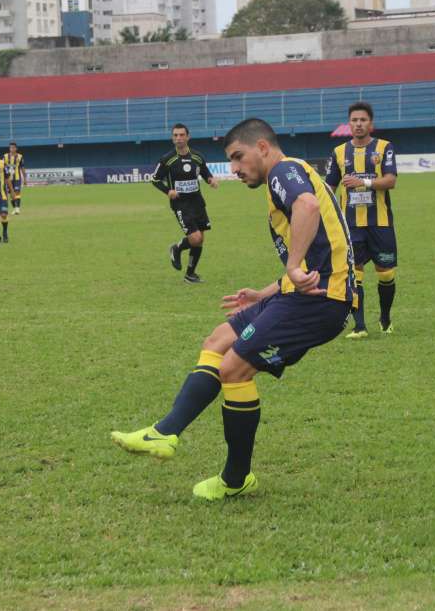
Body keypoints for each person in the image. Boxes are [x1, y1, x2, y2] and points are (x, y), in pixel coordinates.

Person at [112, 118, 354, 501]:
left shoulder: (284, 171)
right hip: (301, 293)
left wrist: (292, 267)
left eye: (238, 158)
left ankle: (235, 478)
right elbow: (317, 255)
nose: (235, 169)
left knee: (233, 370)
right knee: (219, 338)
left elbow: (307, 207)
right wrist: (265, 292)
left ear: (262, 147)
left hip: (321, 302)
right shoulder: (286, 177)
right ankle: (166, 431)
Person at [325, 101, 398, 338]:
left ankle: (385, 318)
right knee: (354, 274)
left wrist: (363, 182)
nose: (358, 124)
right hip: (351, 225)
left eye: (363, 120)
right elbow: (330, 188)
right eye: (354, 120)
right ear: (349, 124)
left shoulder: (385, 148)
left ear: (371, 124)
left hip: (381, 223)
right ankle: (360, 326)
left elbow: (390, 181)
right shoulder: (338, 152)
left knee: (386, 273)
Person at [150, 123, 218, 283]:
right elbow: (155, 180)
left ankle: (190, 274)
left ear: (188, 137)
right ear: (172, 138)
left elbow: (204, 171)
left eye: (181, 135)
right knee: (194, 238)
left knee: (200, 238)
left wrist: (210, 180)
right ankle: (176, 248)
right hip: (181, 204)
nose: (179, 138)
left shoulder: (197, 156)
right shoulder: (167, 159)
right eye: (175, 135)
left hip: (197, 201)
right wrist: (168, 191)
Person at [3, 142, 26, 214]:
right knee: (11, 194)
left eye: (13, 147)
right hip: (8, 179)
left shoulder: (20, 157)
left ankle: (17, 209)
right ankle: (15, 209)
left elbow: (22, 168)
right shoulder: (5, 156)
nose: (12, 149)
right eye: (10, 148)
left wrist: (25, 179)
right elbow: (2, 167)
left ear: (16, 148)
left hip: (17, 178)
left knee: (17, 192)